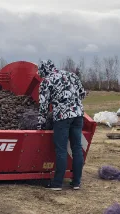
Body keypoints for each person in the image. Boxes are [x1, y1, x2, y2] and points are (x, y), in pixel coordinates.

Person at [37, 59, 87, 191]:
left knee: (61, 149)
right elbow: (82, 94)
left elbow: (43, 106)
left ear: (43, 70)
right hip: (78, 115)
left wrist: (41, 124)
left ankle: (57, 183)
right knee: (77, 148)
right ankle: (76, 182)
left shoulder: (46, 81)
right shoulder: (72, 75)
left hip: (62, 117)